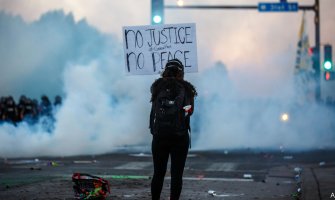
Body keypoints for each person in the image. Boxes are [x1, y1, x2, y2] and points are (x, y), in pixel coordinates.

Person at [149, 59, 197, 200]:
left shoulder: (156, 86)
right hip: (179, 137)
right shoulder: (187, 88)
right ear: (181, 72)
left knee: (158, 173)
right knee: (177, 175)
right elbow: (190, 111)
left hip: (159, 137)